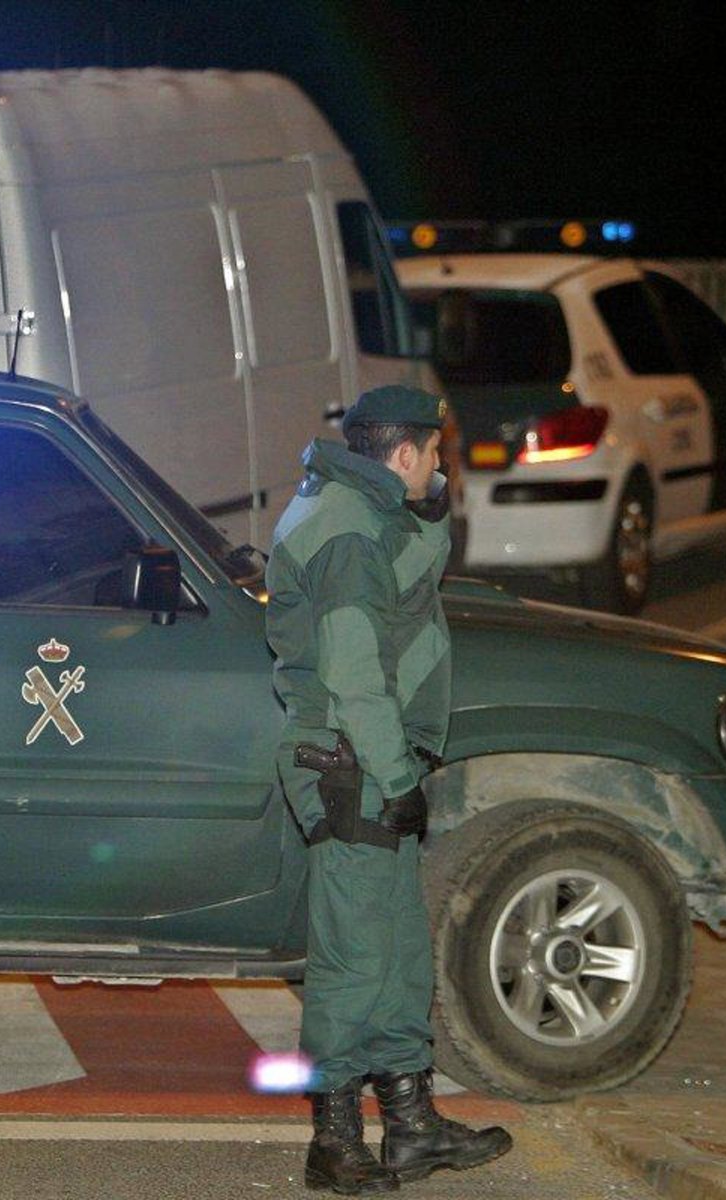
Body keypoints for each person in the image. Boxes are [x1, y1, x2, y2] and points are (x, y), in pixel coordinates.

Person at [265, 384, 512, 1194]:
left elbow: (405, 595)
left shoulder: (361, 510)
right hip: (350, 762)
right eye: (434, 454)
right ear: (404, 453)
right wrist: (399, 776)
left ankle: (412, 1127)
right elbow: (353, 672)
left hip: (369, 757)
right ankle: (333, 1141)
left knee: (398, 950)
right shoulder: (345, 530)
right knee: (353, 959)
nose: (442, 466)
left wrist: (430, 510)